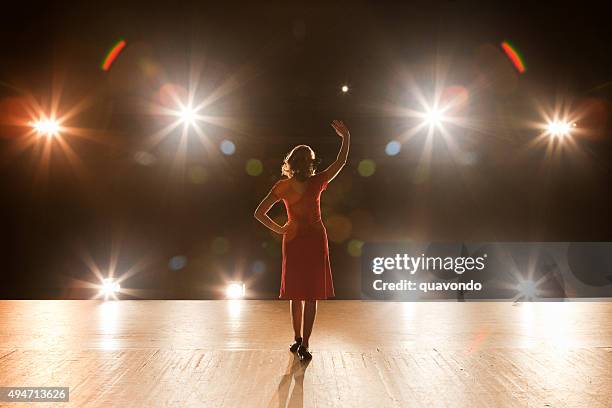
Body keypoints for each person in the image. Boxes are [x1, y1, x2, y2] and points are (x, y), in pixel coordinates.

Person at [254, 120, 350, 360]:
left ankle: (297, 339)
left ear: (291, 163)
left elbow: (259, 212)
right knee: (310, 294)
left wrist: (280, 229)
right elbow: (341, 162)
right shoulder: (317, 182)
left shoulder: (283, 186)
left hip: (294, 240)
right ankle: (305, 342)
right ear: (309, 163)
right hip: (315, 239)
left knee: (296, 293)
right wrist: (346, 137)